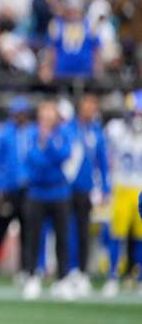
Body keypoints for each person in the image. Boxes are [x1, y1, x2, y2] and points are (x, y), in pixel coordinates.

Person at [21, 100, 75, 300]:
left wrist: (48, 144)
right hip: (37, 192)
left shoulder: (64, 133)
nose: (47, 117)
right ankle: (33, 276)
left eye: (50, 113)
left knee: (62, 237)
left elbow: (64, 155)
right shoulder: (31, 133)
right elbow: (31, 159)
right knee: (34, 238)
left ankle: (62, 279)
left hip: (59, 192)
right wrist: (46, 153)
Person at [0, 96, 32, 289]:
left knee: (28, 231)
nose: (20, 116)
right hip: (9, 190)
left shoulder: (31, 133)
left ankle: (26, 269)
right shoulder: (3, 134)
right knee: (0, 228)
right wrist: (1, 184)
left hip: (28, 190)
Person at [62, 93, 109, 297]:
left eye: (93, 105)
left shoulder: (96, 131)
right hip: (66, 188)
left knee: (83, 231)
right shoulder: (68, 130)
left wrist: (104, 187)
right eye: (87, 105)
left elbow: (102, 162)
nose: (90, 109)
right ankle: (68, 270)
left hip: (86, 189)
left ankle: (81, 270)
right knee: (66, 231)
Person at [102, 91, 142, 297]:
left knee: (140, 236)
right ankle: (113, 275)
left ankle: (139, 277)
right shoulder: (116, 130)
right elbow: (103, 152)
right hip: (121, 187)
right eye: (136, 114)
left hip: (140, 188)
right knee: (116, 234)